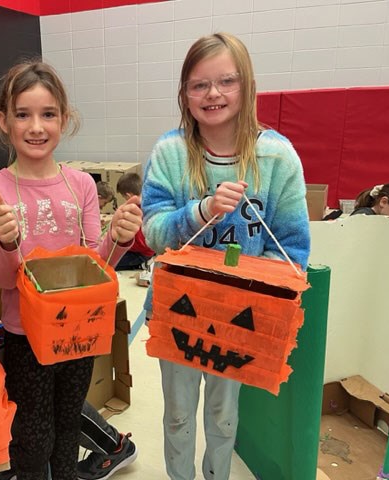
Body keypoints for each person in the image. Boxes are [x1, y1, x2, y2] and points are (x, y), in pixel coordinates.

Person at [141, 33, 310, 480]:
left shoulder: (277, 157)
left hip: (239, 318)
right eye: (199, 85)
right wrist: (201, 211)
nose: (213, 94)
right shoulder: (170, 152)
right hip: (179, 314)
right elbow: (154, 233)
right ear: (185, 94)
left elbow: (291, 250)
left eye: (226, 81)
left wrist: (252, 291)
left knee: (223, 416)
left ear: (247, 85)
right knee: (177, 415)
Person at [0, 59, 142, 480]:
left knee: (67, 430)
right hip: (24, 335)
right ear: (4, 121)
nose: (36, 126)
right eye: (23, 114)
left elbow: (96, 267)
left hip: (79, 333)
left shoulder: (81, 185)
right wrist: (8, 242)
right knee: (32, 438)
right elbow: (1, 278)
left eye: (48, 114)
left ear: (63, 120)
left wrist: (119, 239)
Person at [114, 173, 155, 271]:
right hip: (147, 249)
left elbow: (140, 243)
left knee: (111, 263)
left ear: (128, 196)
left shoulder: (135, 210)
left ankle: (142, 265)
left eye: (124, 198)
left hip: (141, 253)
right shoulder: (150, 202)